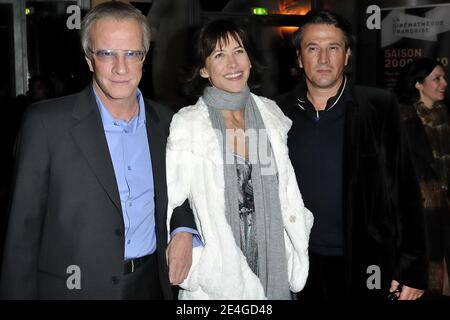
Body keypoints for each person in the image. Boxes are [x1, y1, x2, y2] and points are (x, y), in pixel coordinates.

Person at [0, 1, 196, 299]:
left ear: (144, 57)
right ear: (89, 59)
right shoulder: (46, 125)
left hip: (151, 286)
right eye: (107, 53)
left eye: (132, 53)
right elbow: (21, 238)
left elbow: (185, 191)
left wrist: (183, 230)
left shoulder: (169, 123)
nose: (121, 67)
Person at [275, 10, 427, 300]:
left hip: (367, 263)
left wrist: (412, 267)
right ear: (299, 58)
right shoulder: (276, 113)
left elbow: (405, 190)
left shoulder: (379, 106)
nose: (323, 59)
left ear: (346, 56)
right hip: (299, 264)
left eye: (333, 48)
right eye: (312, 48)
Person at [165, 19, 313, 299]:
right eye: (219, 55)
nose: (232, 64)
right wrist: (183, 235)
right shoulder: (188, 125)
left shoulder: (271, 116)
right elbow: (173, 199)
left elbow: (286, 192)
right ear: (204, 69)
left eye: (239, 51)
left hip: (274, 261)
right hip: (220, 271)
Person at [396, 58, 450, 297]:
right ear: (418, 84)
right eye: (436, 78)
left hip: (446, 209)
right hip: (422, 212)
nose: (444, 83)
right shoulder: (402, 119)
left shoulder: (445, 115)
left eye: (443, 77)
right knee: (428, 275)